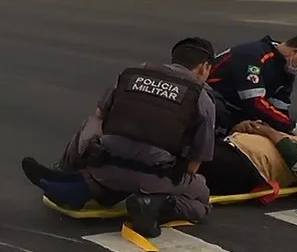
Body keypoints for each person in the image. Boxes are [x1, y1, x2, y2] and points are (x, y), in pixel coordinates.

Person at [21, 37, 217, 238]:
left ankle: (68, 177)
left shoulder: (132, 73)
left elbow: (100, 114)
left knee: (95, 123)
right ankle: (154, 205)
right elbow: (194, 164)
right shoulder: (201, 97)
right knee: (201, 198)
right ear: (203, 67)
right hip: (154, 173)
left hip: (104, 161)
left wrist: (89, 152)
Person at [207, 33, 297, 138]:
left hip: (237, 110)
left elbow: (280, 106)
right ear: (296, 53)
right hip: (212, 107)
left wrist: (287, 130)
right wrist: (293, 126)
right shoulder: (253, 55)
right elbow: (254, 101)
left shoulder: (286, 69)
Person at [198, 120, 297, 195]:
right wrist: (242, 128)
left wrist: (269, 132)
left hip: (251, 165)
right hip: (231, 147)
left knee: (191, 165)